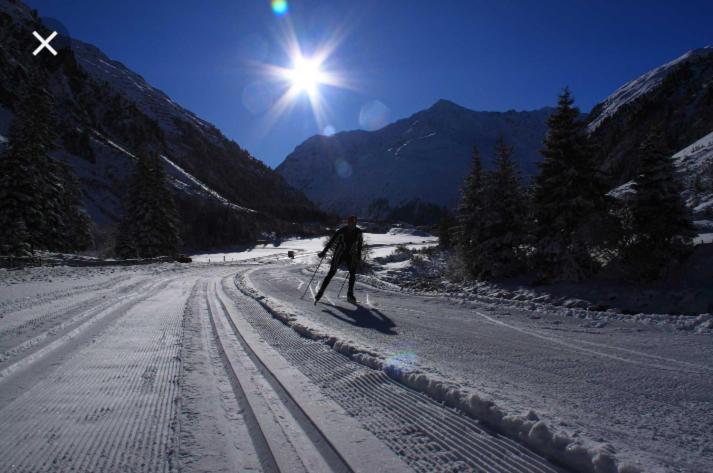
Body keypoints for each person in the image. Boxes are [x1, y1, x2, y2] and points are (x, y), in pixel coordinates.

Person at [315, 215, 363, 304]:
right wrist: (324, 252)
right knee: (332, 272)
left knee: (352, 273)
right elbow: (331, 242)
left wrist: (359, 256)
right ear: (348, 222)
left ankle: (350, 294)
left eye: (354, 223)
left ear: (356, 223)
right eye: (351, 223)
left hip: (350, 255)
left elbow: (360, 244)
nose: (352, 225)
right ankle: (321, 292)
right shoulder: (342, 231)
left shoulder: (359, 232)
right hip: (339, 254)